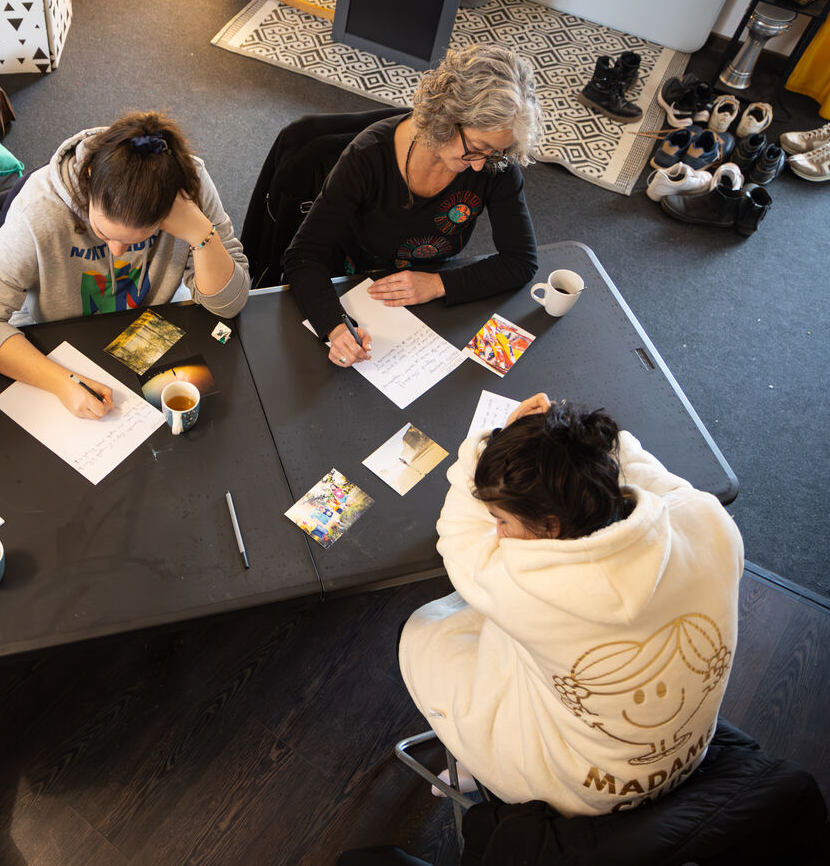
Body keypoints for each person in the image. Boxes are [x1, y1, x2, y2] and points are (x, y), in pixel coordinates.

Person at [398, 394, 743, 817]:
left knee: (425, 632)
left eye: (501, 520)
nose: (498, 532)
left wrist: (481, 452)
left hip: (575, 789)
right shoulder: (708, 519)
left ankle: (480, 766)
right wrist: (567, 442)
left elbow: (458, 536)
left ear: (551, 526)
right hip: (690, 753)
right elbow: (644, 470)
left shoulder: (525, 590)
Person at [0, 110, 250, 419]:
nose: (118, 252)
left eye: (138, 240)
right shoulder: (38, 210)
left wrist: (201, 233)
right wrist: (61, 382)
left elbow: (229, 304)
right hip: (57, 337)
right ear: (90, 177)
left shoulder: (190, 189)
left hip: (146, 327)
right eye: (103, 233)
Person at [281, 43, 543, 368]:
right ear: (447, 116)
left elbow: (521, 261)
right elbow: (302, 257)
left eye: (495, 152)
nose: (480, 165)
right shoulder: (366, 158)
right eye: (476, 148)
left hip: (430, 297)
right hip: (355, 289)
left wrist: (437, 284)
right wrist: (335, 328)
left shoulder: (494, 165)